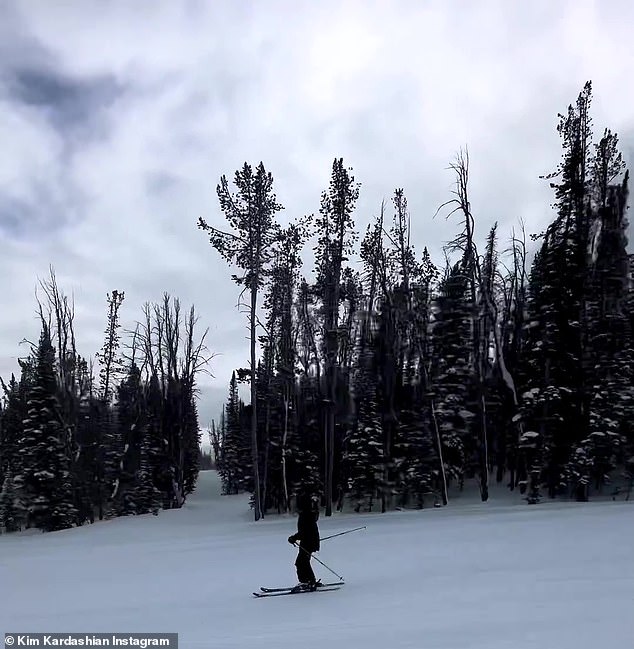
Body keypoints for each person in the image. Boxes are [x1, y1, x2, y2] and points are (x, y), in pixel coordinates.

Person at [288, 486, 321, 591]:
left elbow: (304, 532)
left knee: (301, 562)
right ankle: (309, 581)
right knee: (303, 562)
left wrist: (293, 538)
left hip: (308, 542)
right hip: (309, 542)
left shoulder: (305, 515)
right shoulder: (308, 514)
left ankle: (308, 582)